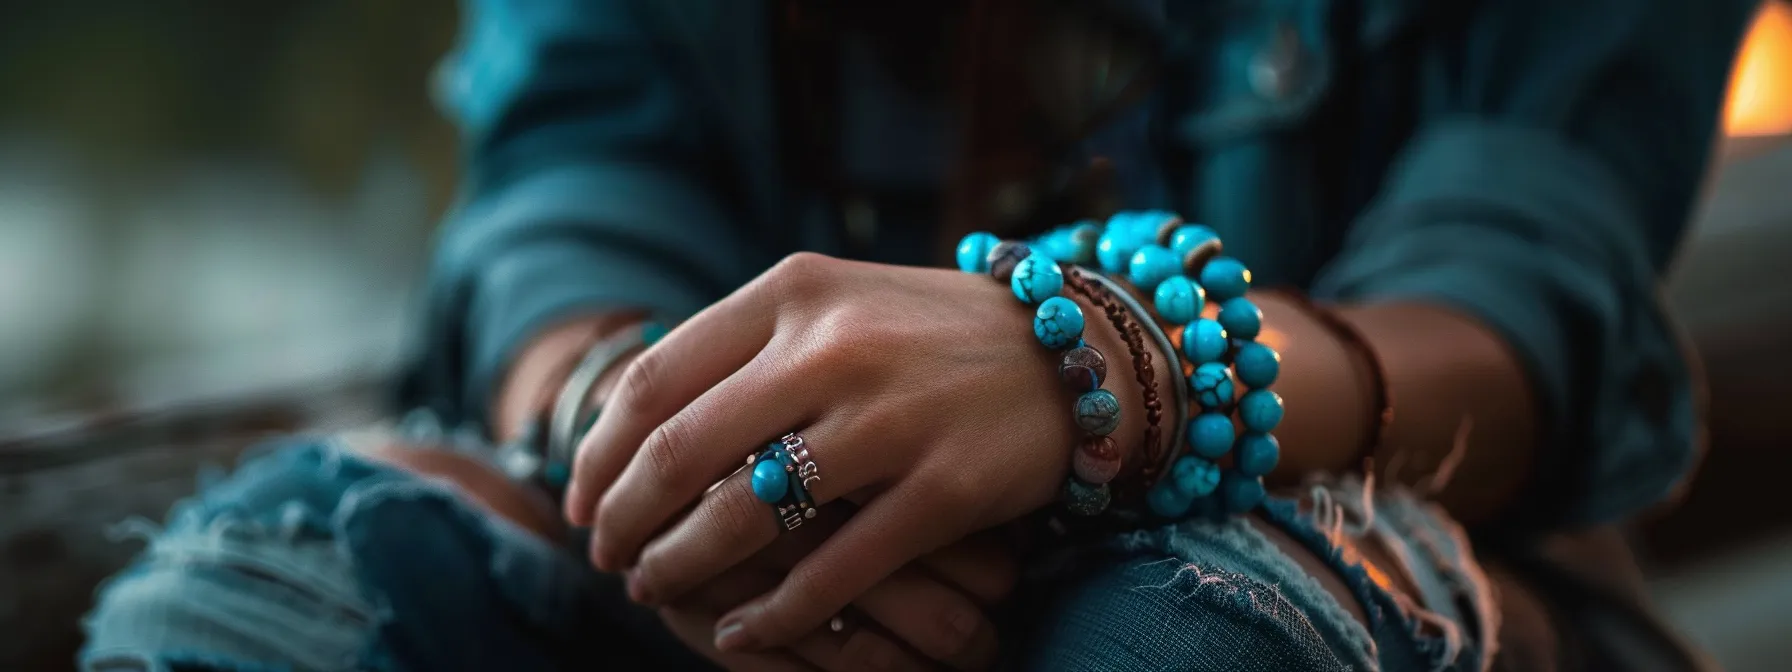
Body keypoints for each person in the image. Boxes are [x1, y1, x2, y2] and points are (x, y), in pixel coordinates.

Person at [80, 0, 1758, 670]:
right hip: (723, 632)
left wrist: (1099, 368)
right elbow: (570, 205)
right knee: (268, 605)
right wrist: (684, 459)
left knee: (1198, 642)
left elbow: (1516, 320)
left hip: (1349, 574)